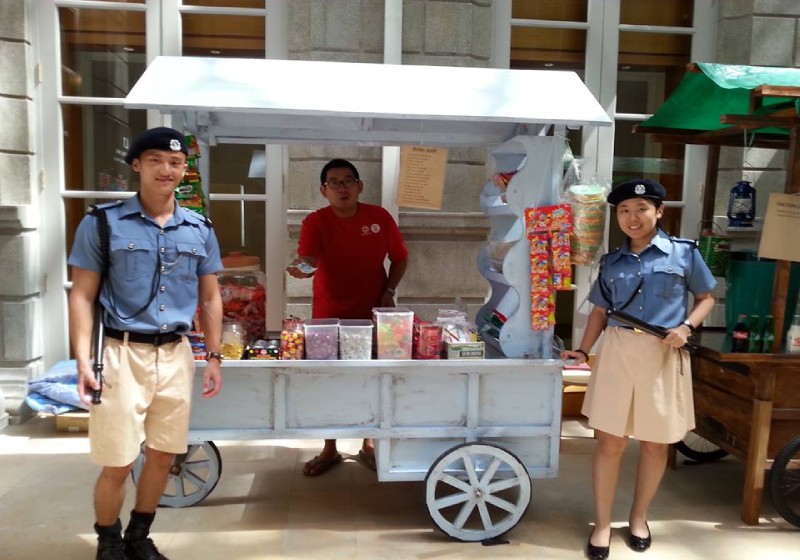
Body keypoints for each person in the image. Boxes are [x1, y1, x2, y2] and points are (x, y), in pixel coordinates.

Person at [68, 127, 224, 560]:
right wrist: (83, 360)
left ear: (184, 169)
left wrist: (213, 356)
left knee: (162, 456)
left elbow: (210, 297)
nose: (166, 169)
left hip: (176, 354)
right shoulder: (102, 223)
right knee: (118, 460)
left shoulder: (199, 228)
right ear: (137, 164)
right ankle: (108, 541)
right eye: (155, 159)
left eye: (175, 162)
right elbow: (81, 295)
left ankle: (139, 536)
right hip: (119, 354)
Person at [561, 179, 716, 560]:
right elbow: (600, 310)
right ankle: (601, 525)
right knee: (610, 442)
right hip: (617, 351)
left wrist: (686, 327)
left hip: (664, 352)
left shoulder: (683, 254)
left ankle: (639, 518)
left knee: (655, 442)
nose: (633, 218)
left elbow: (706, 297)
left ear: (659, 212)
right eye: (625, 210)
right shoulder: (611, 262)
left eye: (642, 209)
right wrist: (583, 350)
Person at [287, 158, 408, 476]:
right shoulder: (315, 222)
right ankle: (330, 448)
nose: (342, 187)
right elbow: (309, 259)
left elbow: (400, 257)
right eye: (334, 182)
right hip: (329, 315)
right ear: (324, 190)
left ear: (360, 186)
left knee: (371, 378)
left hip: (372, 313)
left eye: (348, 181)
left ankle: (368, 443)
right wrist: (301, 269)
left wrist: (390, 291)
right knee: (331, 379)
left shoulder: (379, 218)